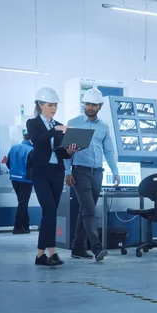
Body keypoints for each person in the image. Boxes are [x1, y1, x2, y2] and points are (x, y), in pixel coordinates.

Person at [64, 88, 119, 262]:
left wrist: (115, 171)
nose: (89, 107)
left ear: (100, 106)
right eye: (87, 104)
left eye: (93, 105)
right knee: (89, 210)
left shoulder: (103, 127)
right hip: (79, 171)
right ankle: (96, 248)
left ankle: (78, 248)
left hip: (97, 173)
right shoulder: (73, 123)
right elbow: (65, 151)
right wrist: (67, 171)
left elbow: (109, 151)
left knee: (84, 211)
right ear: (83, 105)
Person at [27, 87, 78, 266]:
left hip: (56, 172)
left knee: (51, 213)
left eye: (55, 105)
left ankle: (43, 254)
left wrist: (70, 151)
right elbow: (39, 143)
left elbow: (60, 153)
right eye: (50, 105)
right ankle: (50, 253)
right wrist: (55, 129)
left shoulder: (58, 124)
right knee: (48, 211)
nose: (53, 108)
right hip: (40, 172)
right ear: (41, 105)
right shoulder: (32, 123)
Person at [5, 130, 34, 234]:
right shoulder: (31, 150)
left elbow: (8, 163)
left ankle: (26, 226)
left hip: (14, 178)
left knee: (22, 202)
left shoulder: (14, 148)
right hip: (25, 180)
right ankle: (17, 227)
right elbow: (33, 166)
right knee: (23, 203)